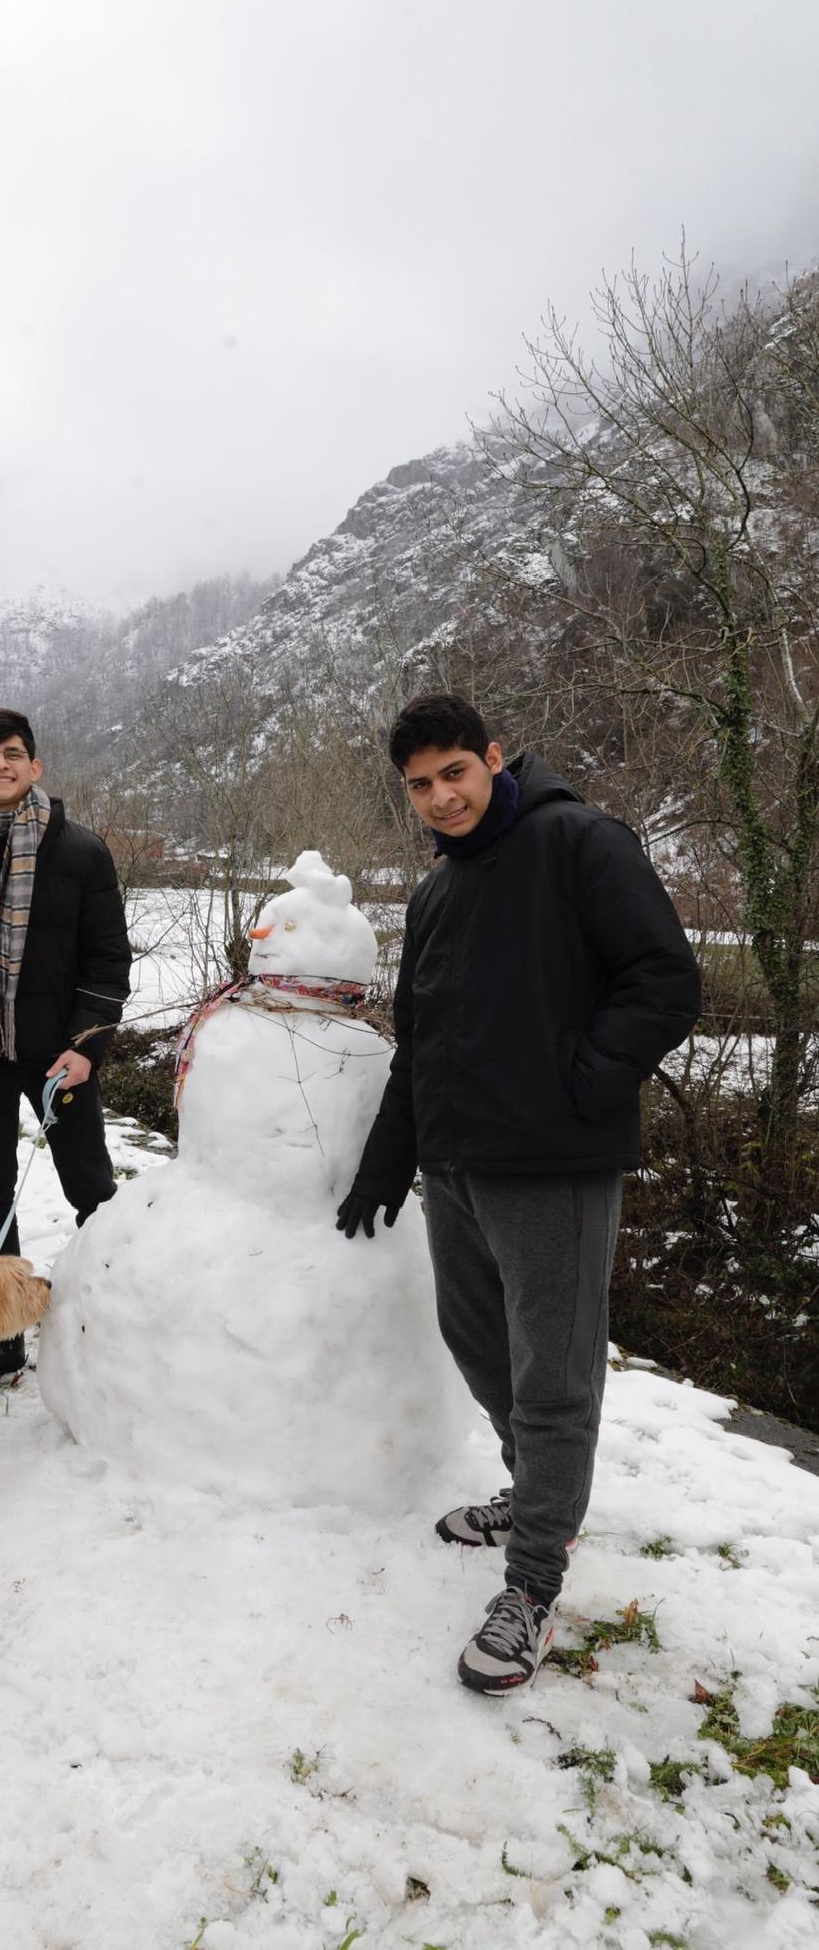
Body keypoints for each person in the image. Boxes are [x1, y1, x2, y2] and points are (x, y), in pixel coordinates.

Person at [337, 693, 700, 1696]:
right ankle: (537, 1490)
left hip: (551, 1167)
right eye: (419, 784)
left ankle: (532, 1581)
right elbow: (421, 1042)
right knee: (478, 1345)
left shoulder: (577, 841)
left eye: (454, 770)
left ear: (493, 757)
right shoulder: (435, 894)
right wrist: (386, 1163)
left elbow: (665, 977)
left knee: (553, 1376)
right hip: (457, 1165)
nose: (440, 795)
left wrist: (578, 1083)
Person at [0, 707, 132, 1385]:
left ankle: (108, 1322)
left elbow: (108, 961)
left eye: (12, 754)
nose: (0, 765)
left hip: (59, 1055)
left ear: (35, 766)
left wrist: (85, 1046)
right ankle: (6, 1342)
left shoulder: (78, 849)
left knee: (91, 1189)